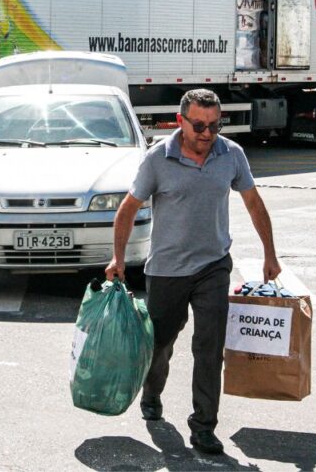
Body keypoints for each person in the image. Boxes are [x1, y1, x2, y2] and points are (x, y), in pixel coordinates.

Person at [105, 88, 281, 456]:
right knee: (161, 343)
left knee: (209, 347)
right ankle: (152, 392)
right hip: (167, 270)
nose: (206, 133)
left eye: (214, 126)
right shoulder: (157, 159)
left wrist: (270, 253)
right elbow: (127, 208)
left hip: (213, 266)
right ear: (181, 120)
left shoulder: (231, 154)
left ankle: (204, 426)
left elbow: (253, 203)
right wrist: (118, 259)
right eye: (199, 125)